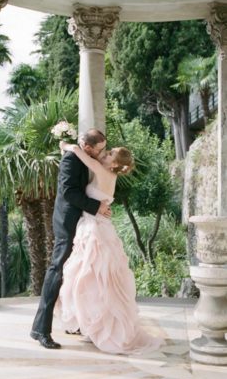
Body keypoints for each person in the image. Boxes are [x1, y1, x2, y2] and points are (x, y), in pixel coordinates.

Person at [56, 142, 164, 355]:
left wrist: (66, 143)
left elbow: (79, 152)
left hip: (94, 229)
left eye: (110, 153)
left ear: (114, 163)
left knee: (91, 278)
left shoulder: (101, 171)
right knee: (92, 279)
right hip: (95, 226)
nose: (106, 153)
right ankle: (91, 325)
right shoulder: (106, 173)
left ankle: (96, 327)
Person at [30, 129, 111, 349]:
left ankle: (74, 321)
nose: (101, 153)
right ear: (88, 147)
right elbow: (68, 193)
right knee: (56, 271)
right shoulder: (71, 160)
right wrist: (97, 207)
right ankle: (40, 330)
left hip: (80, 222)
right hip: (67, 222)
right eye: (99, 149)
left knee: (75, 274)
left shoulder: (81, 156)